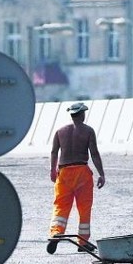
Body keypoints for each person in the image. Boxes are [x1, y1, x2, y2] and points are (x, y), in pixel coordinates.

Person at [46, 102, 105, 253]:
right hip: (81, 173)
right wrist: (101, 174)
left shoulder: (60, 131)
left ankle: (55, 233)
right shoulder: (88, 131)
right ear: (82, 114)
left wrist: (53, 170)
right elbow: (94, 153)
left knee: (60, 205)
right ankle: (83, 242)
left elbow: (54, 152)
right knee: (84, 208)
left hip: (64, 173)